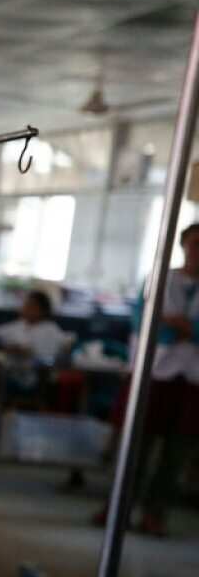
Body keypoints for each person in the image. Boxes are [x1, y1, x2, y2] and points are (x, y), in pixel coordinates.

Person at [97, 223, 199, 536]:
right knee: (136, 445)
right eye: (194, 243)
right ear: (183, 245)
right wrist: (184, 328)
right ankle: (118, 508)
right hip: (155, 372)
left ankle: (156, 514)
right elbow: (145, 322)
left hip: (192, 379)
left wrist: (183, 327)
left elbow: (175, 326)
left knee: (176, 453)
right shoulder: (160, 278)